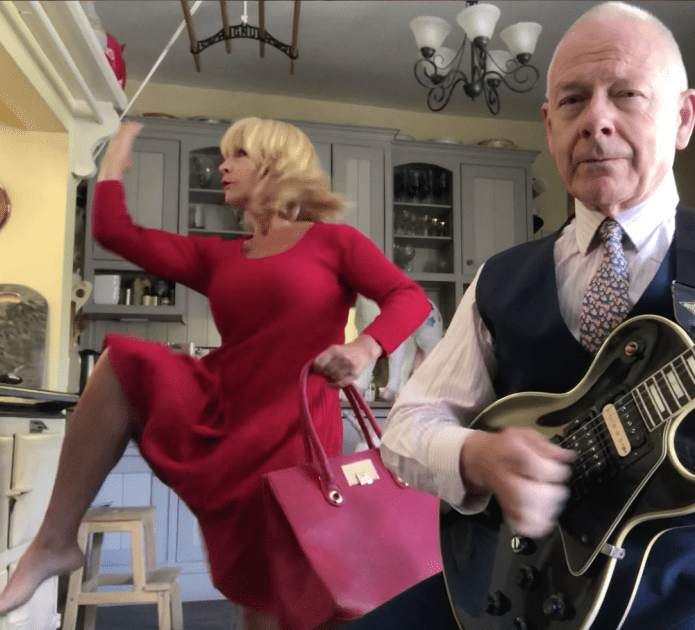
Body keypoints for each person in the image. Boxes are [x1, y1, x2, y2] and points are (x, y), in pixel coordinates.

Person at [345, 2, 695, 630]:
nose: (596, 119)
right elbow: (407, 427)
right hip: (526, 590)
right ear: (549, 126)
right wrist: (478, 456)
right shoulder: (499, 281)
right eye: (573, 100)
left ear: (682, 118)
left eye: (626, 95)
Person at [0, 117, 431, 630]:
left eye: (238, 154)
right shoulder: (220, 256)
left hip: (293, 435)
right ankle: (54, 542)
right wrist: (114, 160)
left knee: (295, 602)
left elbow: (410, 297)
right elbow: (114, 232)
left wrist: (364, 347)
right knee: (121, 364)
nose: (222, 166)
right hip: (225, 421)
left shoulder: (334, 242)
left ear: (275, 163)